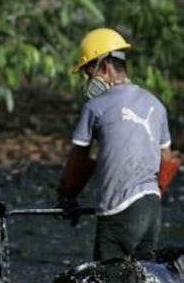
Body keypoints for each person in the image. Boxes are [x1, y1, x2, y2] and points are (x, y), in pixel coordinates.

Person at [57, 27, 179, 262]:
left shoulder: (95, 107)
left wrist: (66, 197)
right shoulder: (155, 104)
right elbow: (167, 159)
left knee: (110, 281)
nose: (88, 81)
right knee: (143, 276)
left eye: (89, 73)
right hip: (152, 207)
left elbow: (78, 160)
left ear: (104, 67)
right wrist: (147, 196)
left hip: (119, 210)